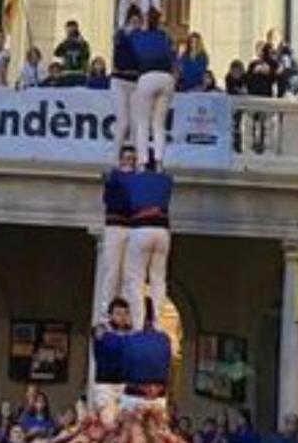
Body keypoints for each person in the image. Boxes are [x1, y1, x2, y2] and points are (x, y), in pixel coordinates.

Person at [120, 170, 173, 331]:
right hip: (162, 232)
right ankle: (157, 322)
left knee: (135, 279)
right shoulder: (166, 180)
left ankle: (137, 324)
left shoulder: (133, 180)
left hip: (141, 229)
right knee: (158, 279)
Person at [129, 9, 175, 171]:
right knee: (159, 124)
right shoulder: (164, 36)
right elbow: (172, 56)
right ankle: (159, 162)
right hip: (166, 78)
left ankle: (142, 162)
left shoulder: (138, 36)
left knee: (143, 123)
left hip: (147, 76)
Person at [97, 146, 138, 320]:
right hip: (115, 226)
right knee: (112, 269)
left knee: (130, 272)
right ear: (121, 160)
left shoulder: (137, 181)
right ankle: (107, 311)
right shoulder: (113, 178)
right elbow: (111, 200)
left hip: (132, 227)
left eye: (132, 159)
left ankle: (127, 312)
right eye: (126, 159)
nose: (129, 162)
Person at [93, 297, 133, 411]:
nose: (122, 317)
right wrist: (128, 339)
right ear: (110, 315)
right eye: (118, 313)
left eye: (126, 313)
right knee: (107, 421)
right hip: (105, 384)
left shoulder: (130, 332)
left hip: (124, 383)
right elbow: (113, 345)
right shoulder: (100, 329)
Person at [112, 5, 144, 151]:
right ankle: (115, 155)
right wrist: (126, 35)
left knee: (135, 121)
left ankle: (137, 156)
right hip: (120, 80)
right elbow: (119, 57)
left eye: (138, 22)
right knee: (123, 121)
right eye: (133, 21)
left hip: (136, 81)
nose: (135, 24)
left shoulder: (143, 38)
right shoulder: (121, 35)